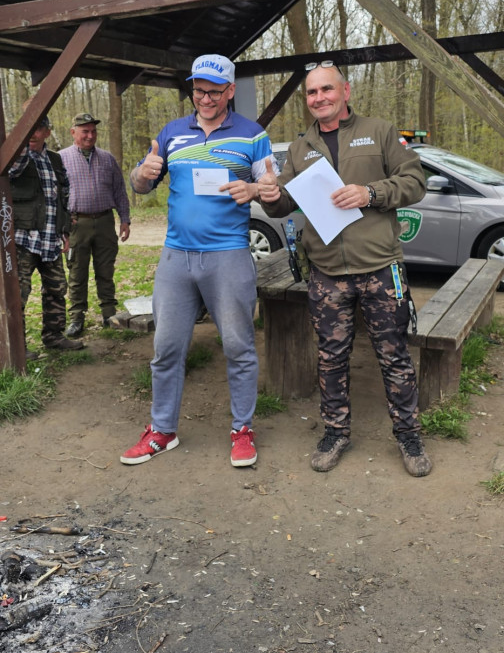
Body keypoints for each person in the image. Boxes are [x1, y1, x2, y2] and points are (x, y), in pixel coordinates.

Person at [257, 62, 432, 477]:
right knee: (331, 357)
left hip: (380, 266)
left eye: (326, 89)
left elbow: (415, 182)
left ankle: (408, 435)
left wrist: (370, 193)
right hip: (327, 271)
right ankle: (336, 432)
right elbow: (285, 203)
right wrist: (270, 196)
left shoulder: (381, 131)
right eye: (312, 92)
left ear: (345, 91)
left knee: (394, 355)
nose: (319, 98)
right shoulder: (300, 148)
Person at [120, 54, 277, 470]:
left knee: (239, 347)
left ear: (230, 91)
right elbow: (141, 184)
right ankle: (162, 430)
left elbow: (271, 188)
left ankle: (242, 429)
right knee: (166, 348)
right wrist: (142, 174)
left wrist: (256, 190)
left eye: (214, 91)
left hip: (228, 255)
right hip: (176, 257)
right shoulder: (171, 133)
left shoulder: (253, 135)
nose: (205, 99)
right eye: (198, 90)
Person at [8, 112, 85, 358]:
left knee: (56, 289)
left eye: (38, 128)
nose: (33, 133)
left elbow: (64, 196)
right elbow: (13, 171)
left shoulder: (54, 159)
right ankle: (16, 347)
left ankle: (54, 336)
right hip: (23, 238)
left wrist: (65, 230)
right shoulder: (14, 156)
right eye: (29, 128)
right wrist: (20, 137)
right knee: (18, 294)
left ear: (47, 132)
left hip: (51, 238)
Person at [59, 113, 131, 336]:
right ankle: (77, 317)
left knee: (105, 269)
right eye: (85, 132)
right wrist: (62, 227)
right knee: (77, 272)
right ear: (73, 132)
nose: (90, 136)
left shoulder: (107, 158)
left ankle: (109, 313)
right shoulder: (61, 159)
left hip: (104, 221)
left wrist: (125, 219)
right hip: (76, 223)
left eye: (93, 131)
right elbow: (55, 195)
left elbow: (119, 191)